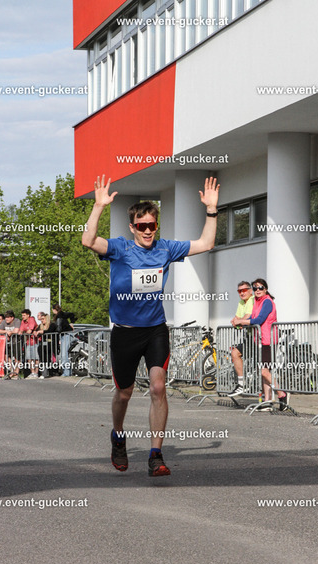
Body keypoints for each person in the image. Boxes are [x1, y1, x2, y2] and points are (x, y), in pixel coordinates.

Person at [82, 174, 220, 476]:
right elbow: (88, 240)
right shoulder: (120, 248)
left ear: (157, 226)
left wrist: (211, 210)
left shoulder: (165, 249)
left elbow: (207, 243)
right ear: (133, 227)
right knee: (124, 393)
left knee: (158, 387)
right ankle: (118, 436)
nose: (147, 230)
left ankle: (155, 454)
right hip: (125, 333)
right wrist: (99, 206)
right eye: (141, 226)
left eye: (152, 225)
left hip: (155, 330)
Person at [236, 278, 289, 411]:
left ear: (265, 289)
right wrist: (242, 322)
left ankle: (282, 393)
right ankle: (267, 401)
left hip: (269, 341)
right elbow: (251, 317)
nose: (257, 290)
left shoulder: (267, 302)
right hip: (260, 340)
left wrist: (242, 322)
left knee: (264, 371)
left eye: (260, 288)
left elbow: (259, 320)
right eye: (255, 288)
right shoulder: (257, 301)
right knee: (264, 372)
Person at [228, 281, 254, 396]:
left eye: (244, 290)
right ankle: (242, 384)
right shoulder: (241, 302)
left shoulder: (252, 300)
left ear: (250, 291)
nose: (242, 293)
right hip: (249, 337)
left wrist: (239, 321)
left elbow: (247, 317)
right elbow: (236, 319)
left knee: (264, 368)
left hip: (258, 337)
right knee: (235, 353)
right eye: (239, 291)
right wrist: (237, 321)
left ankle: (280, 393)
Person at [52, 303, 75, 377]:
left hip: (65, 335)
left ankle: (66, 372)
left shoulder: (59, 316)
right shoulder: (63, 314)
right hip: (66, 334)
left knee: (64, 355)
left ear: (54, 310)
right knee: (64, 354)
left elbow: (59, 328)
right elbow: (72, 314)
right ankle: (68, 372)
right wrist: (72, 323)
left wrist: (54, 331)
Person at [0, 310, 22, 378]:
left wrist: (10, 332)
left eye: (8, 317)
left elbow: (16, 330)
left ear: (12, 318)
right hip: (7, 342)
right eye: (6, 317)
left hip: (16, 341)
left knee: (17, 357)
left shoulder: (17, 321)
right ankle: (12, 371)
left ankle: (16, 372)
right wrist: (6, 331)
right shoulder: (4, 322)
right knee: (6, 356)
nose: (6, 319)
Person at [35, 313, 58, 378]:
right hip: (43, 344)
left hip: (51, 343)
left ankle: (49, 372)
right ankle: (44, 372)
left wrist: (42, 332)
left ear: (47, 319)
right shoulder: (40, 325)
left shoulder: (52, 325)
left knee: (48, 358)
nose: (42, 320)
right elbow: (36, 331)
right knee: (42, 357)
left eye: (43, 319)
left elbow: (50, 331)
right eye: (41, 319)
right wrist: (35, 332)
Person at [19, 309, 39, 378]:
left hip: (35, 341)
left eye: (24, 315)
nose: (22, 317)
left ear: (28, 315)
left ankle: (36, 373)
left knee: (36, 358)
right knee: (29, 358)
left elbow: (30, 331)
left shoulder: (31, 319)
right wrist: (21, 332)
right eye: (22, 315)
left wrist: (23, 333)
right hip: (28, 342)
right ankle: (32, 372)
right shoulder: (23, 321)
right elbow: (20, 331)